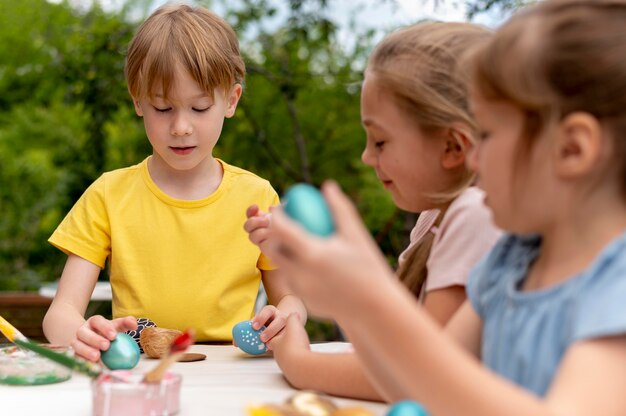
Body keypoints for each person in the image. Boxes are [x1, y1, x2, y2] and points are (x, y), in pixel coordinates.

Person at [260, 0, 626, 414]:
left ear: (572, 149)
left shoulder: (615, 287)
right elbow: (416, 383)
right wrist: (351, 300)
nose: (472, 159)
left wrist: (371, 296)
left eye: (487, 134)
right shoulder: (510, 264)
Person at [244, 22, 501, 401]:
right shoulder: (434, 219)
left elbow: (413, 375)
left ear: (453, 146)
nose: (367, 157)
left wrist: (297, 361)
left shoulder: (474, 214)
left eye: (380, 141)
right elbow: (390, 347)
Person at [42, 4, 306, 363]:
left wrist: (286, 317)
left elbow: (289, 299)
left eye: (199, 108)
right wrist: (84, 335)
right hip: (140, 373)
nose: (181, 127)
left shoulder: (257, 196)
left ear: (231, 100)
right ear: (138, 100)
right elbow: (60, 314)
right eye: (163, 109)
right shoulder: (108, 194)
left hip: (229, 377)